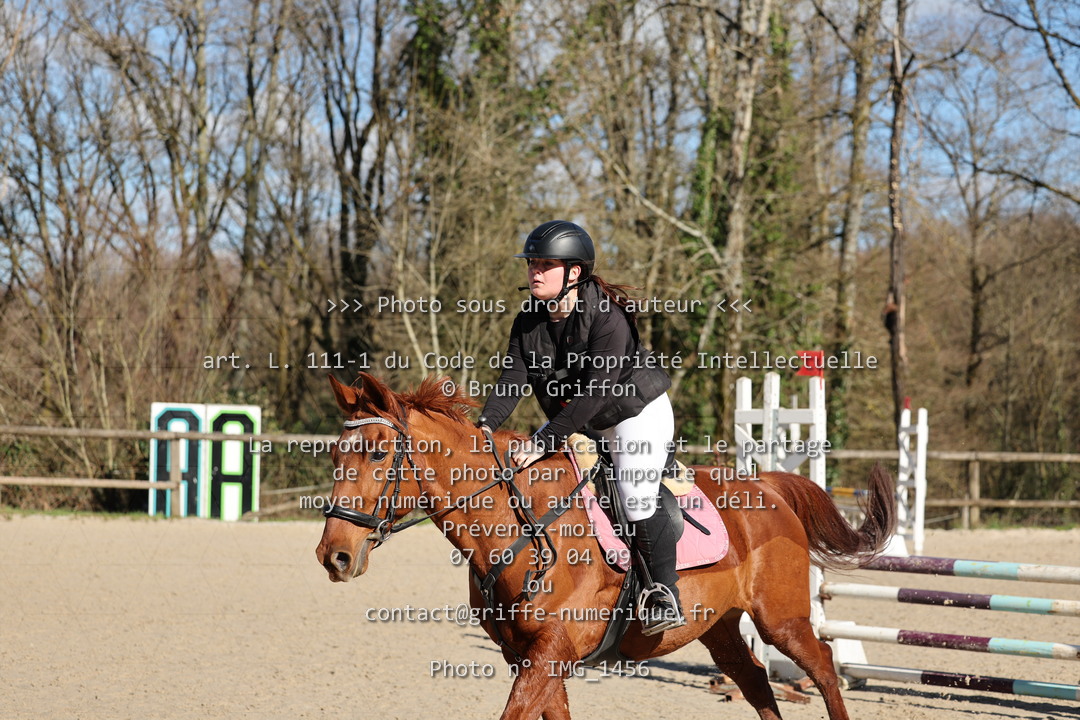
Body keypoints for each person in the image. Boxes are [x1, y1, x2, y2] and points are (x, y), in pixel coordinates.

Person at [477, 220, 685, 635]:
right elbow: (513, 380)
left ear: (574, 272)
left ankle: (664, 593)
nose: (535, 271)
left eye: (545, 264)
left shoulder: (607, 318)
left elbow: (594, 393)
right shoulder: (528, 321)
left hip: (635, 414)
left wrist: (543, 439)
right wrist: (483, 427)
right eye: (532, 263)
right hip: (582, 419)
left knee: (634, 495)